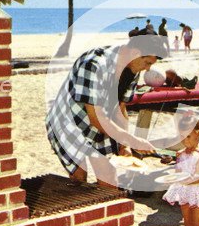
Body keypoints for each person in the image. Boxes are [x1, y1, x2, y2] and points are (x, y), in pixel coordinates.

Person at [46, 35, 168, 187]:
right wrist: (132, 140)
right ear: (135, 53)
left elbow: (120, 108)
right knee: (79, 177)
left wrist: (125, 146)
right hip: (68, 122)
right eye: (148, 62)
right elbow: (96, 118)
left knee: (109, 179)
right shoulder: (93, 64)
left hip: (101, 123)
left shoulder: (133, 68)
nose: (148, 68)